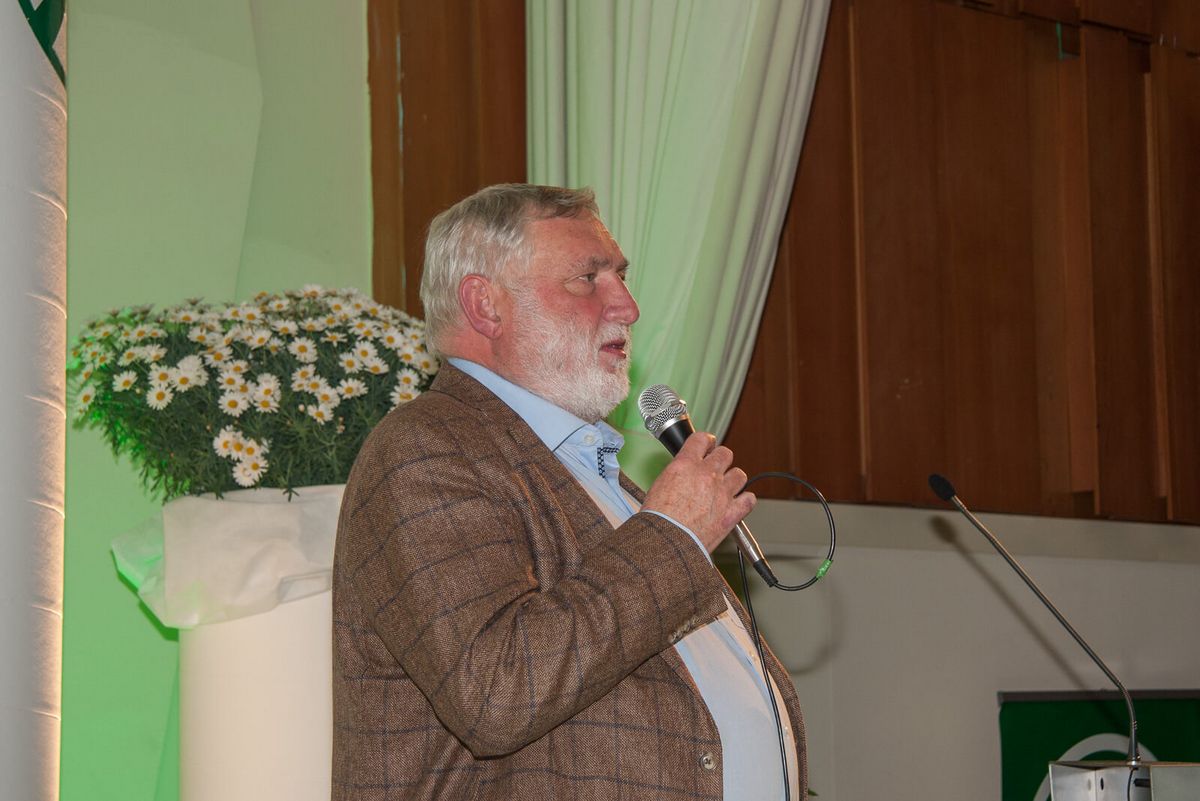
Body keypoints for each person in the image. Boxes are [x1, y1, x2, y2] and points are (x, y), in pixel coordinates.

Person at [332, 184, 805, 800]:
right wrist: (673, 535)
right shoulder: (427, 447)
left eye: (621, 276)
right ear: (485, 305)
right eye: (587, 279)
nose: (628, 306)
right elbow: (496, 692)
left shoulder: (590, 464)